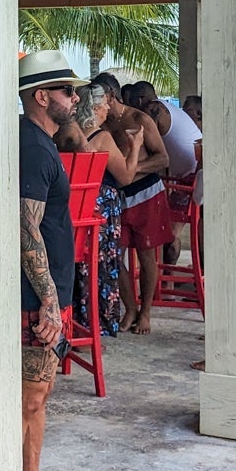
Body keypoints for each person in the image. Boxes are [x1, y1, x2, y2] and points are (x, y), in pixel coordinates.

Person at [16, 51, 81, 471]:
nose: (74, 98)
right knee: (29, 399)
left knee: (38, 397)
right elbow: (25, 228)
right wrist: (48, 299)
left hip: (49, 293)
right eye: (66, 91)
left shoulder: (42, 142)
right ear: (42, 96)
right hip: (36, 295)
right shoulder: (33, 147)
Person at [93, 72, 172, 335]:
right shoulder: (100, 126)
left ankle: (146, 312)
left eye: (98, 98)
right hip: (118, 198)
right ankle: (131, 308)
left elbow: (162, 159)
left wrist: (131, 169)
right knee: (116, 254)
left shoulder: (139, 119)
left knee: (147, 254)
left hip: (146, 193)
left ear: (111, 97)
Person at [68, 82, 144, 338]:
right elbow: (125, 177)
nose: (107, 111)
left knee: (79, 265)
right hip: (100, 208)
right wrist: (135, 148)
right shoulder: (102, 138)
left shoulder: (66, 134)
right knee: (103, 263)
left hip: (73, 206)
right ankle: (99, 318)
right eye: (103, 106)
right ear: (95, 108)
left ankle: (75, 317)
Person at [125, 81, 202, 263]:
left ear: (140, 99)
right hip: (191, 175)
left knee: (168, 232)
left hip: (189, 178)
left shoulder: (153, 111)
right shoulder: (167, 108)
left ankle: (167, 284)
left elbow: (145, 149)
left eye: (131, 104)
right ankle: (167, 282)